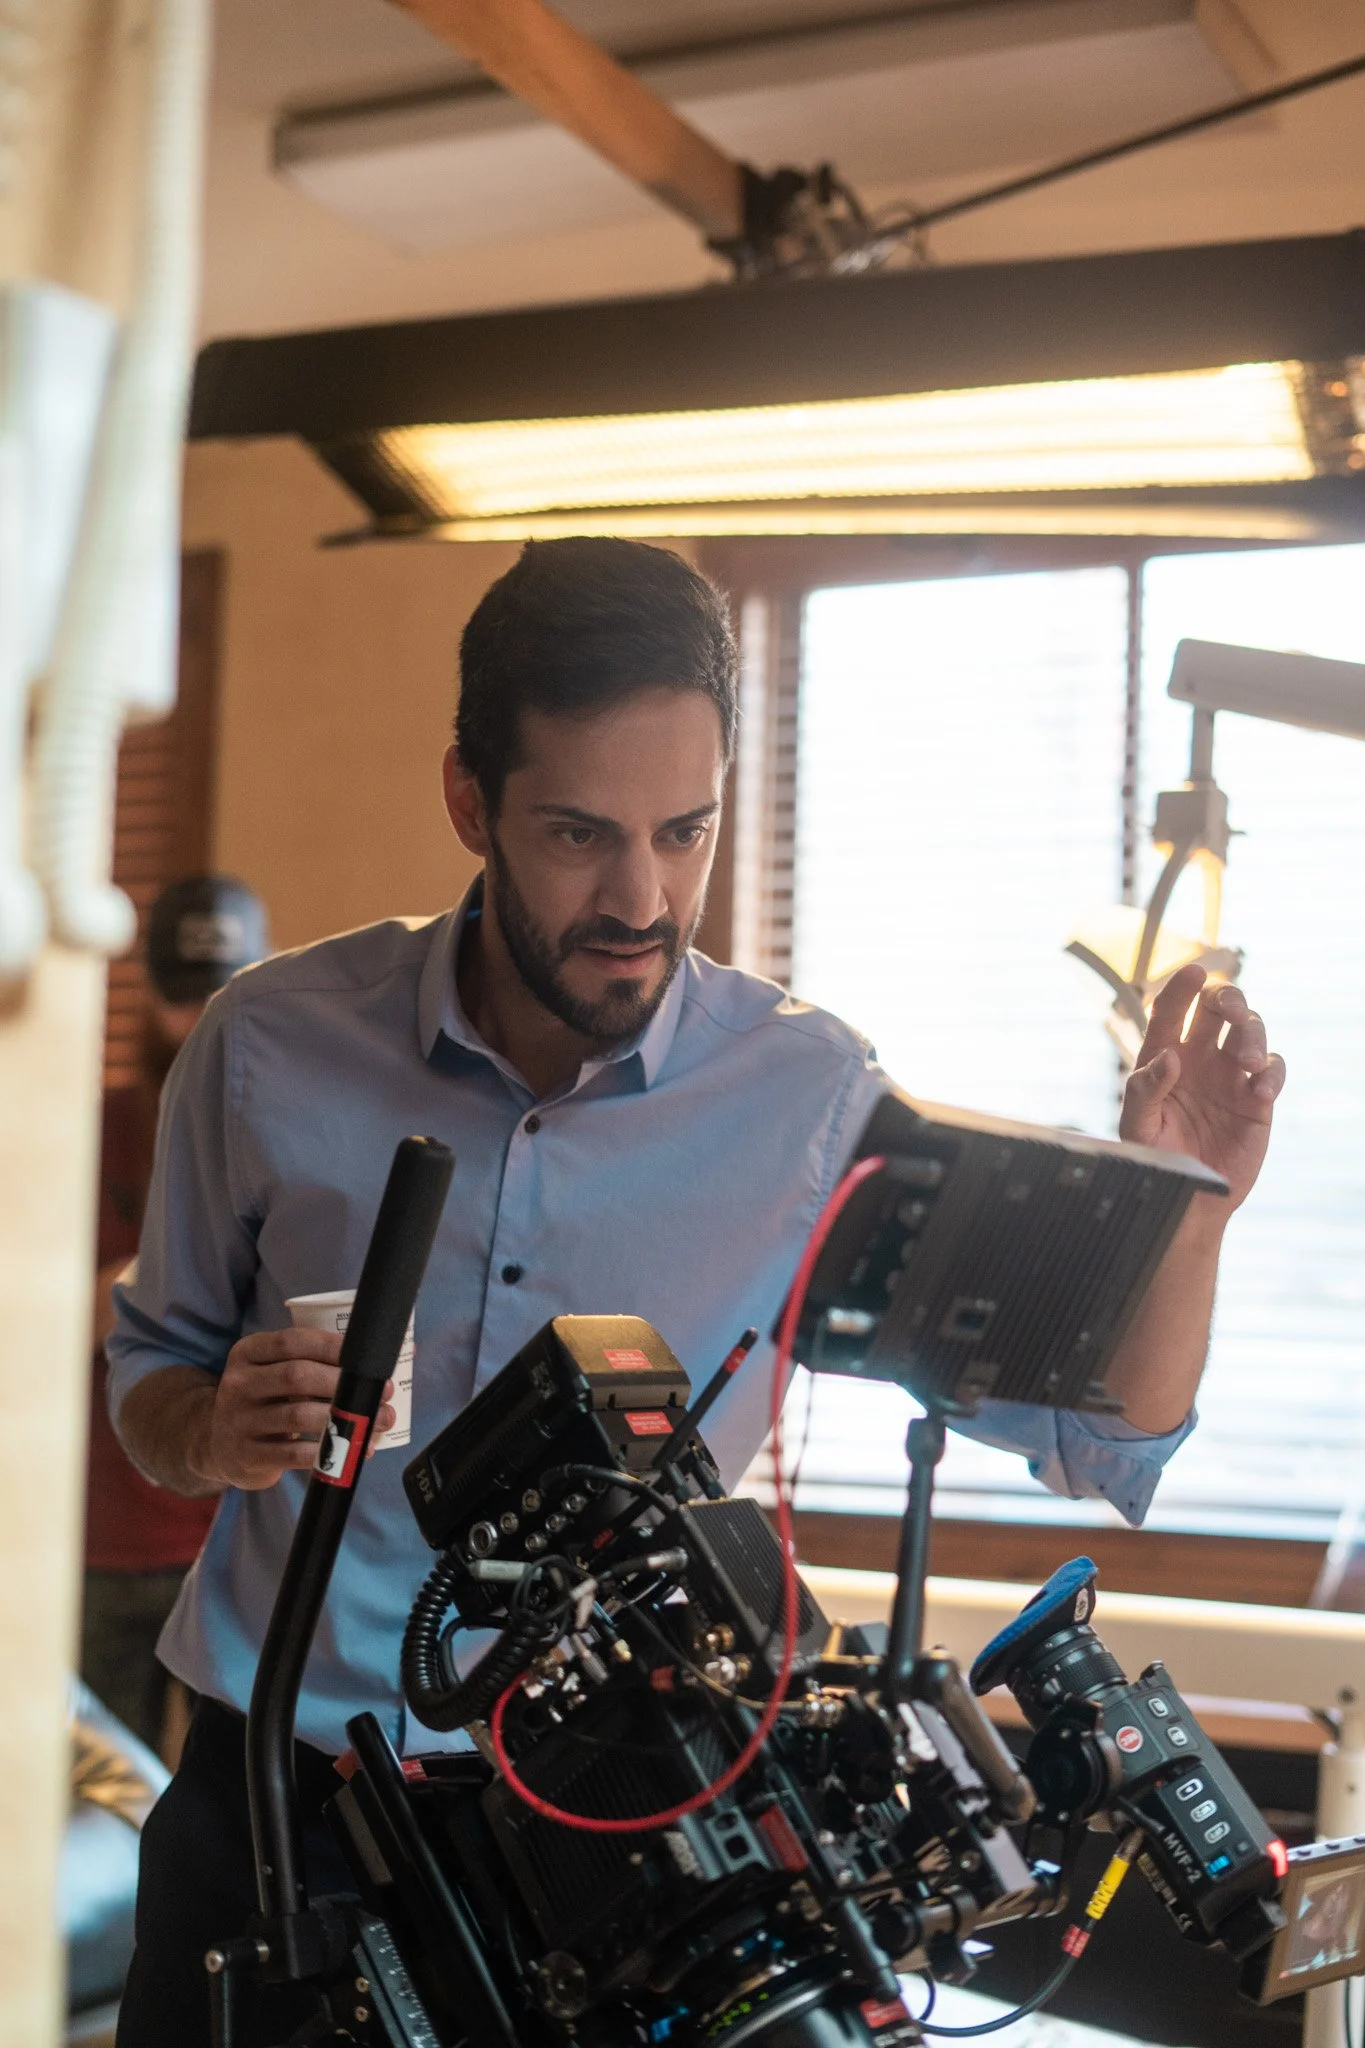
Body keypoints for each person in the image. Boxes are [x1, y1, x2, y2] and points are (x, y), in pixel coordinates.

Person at [105, 538, 1285, 2046]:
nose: (641, 897)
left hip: (609, 1859)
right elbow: (149, 1381)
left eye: (685, 832)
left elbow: (1095, 1439)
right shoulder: (269, 1044)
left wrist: (1193, 1212)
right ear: (469, 800)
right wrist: (211, 1427)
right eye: (579, 834)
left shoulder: (809, 1096)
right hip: (277, 1805)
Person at [82, 874, 269, 1755]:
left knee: (228, 1808)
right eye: (181, 998)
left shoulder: (277, 1132)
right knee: (95, 1807)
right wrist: (184, 1275)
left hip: (237, 1537)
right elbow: (49, 1317)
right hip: (106, 1541)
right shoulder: (91, 1131)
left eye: (219, 997)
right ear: (149, 997)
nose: (198, 1022)